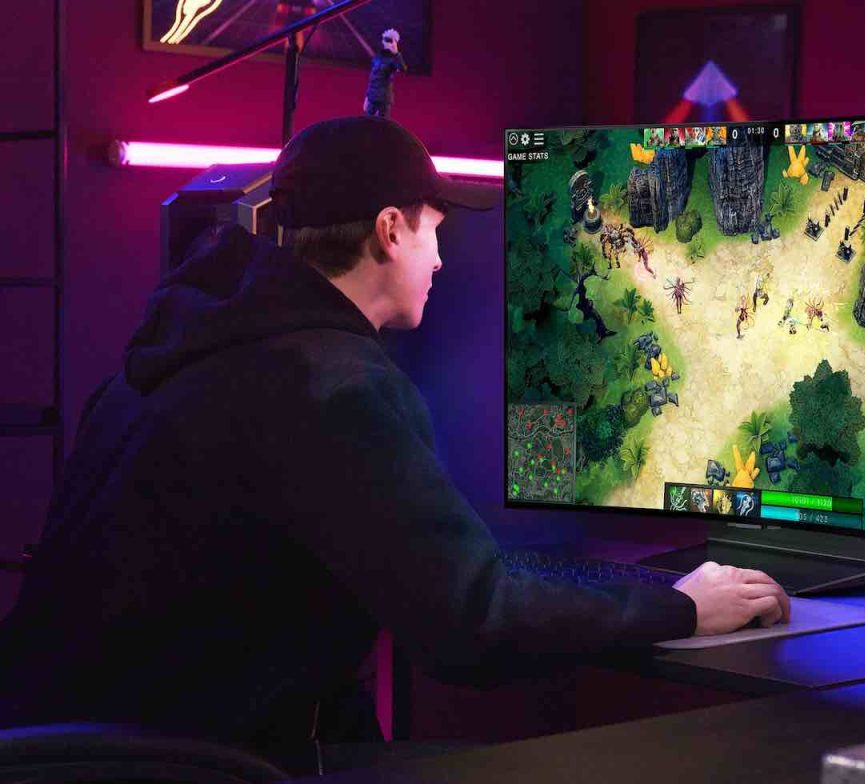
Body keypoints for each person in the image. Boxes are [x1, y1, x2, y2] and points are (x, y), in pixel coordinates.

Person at [0, 116, 788, 772]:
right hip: (210, 763)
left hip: (81, 752)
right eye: (433, 231)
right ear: (389, 230)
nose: (441, 258)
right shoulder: (331, 385)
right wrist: (680, 606)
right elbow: (470, 625)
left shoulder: (182, 347)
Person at [363, 29, 407, 118]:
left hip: (384, 99)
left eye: (391, 40)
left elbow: (403, 69)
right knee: (367, 122)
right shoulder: (377, 57)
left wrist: (396, 53)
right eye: (386, 39)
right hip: (372, 96)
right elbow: (372, 78)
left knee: (383, 123)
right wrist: (367, 97)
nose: (388, 43)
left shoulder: (394, 59)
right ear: (383, 41)